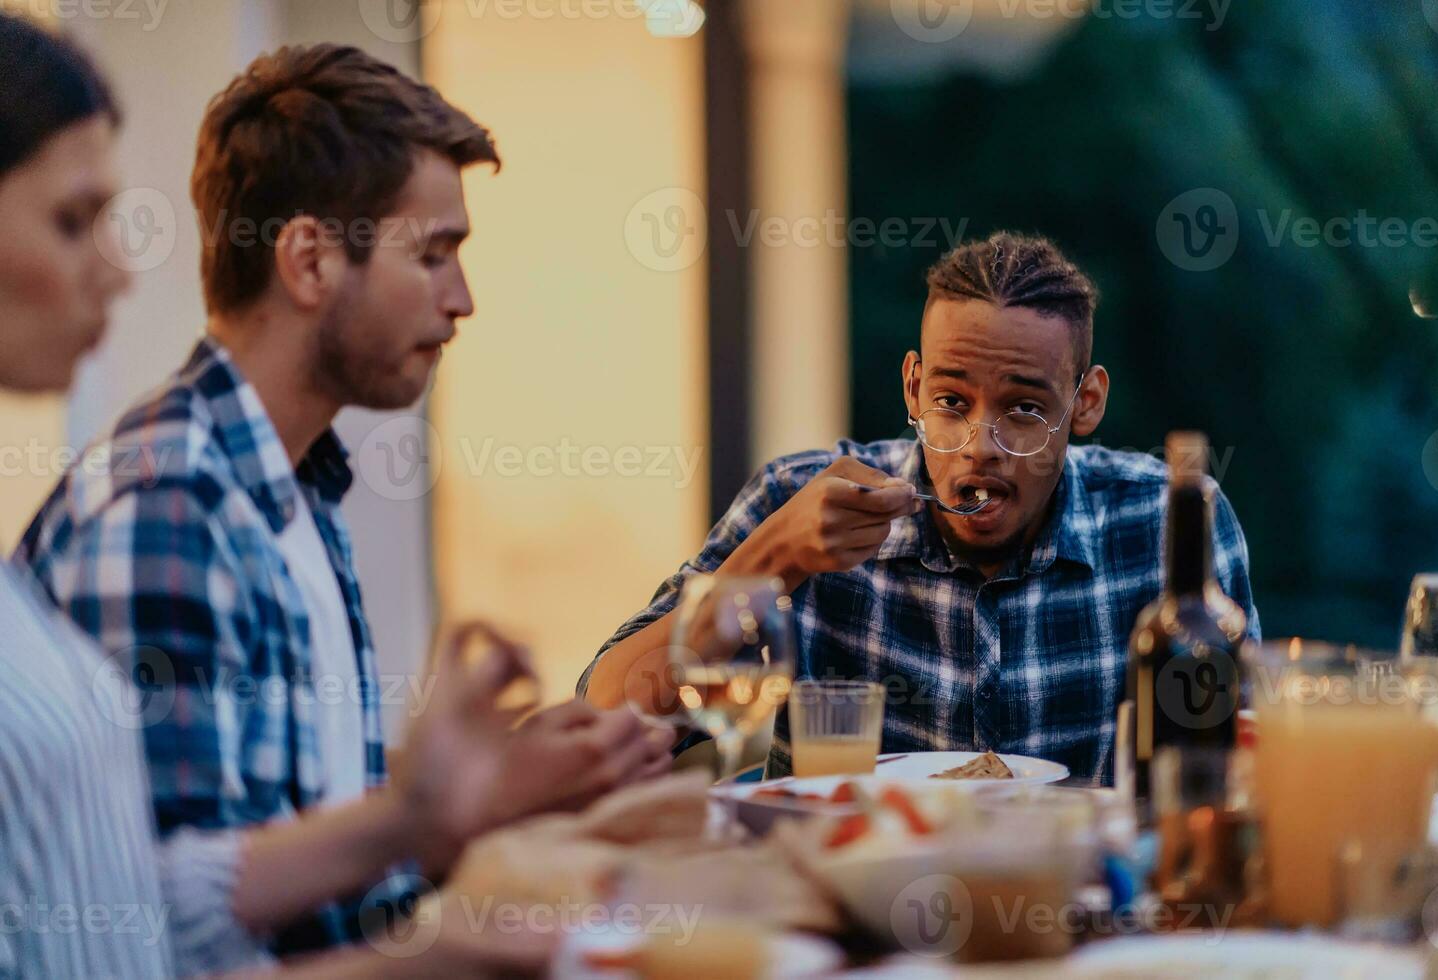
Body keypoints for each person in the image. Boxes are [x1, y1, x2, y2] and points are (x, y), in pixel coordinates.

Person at [5, 24, 672, 973]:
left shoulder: (296, 490)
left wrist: (468, 809)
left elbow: (286, 897)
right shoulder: (165, 508)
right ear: (311, 262)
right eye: (432, 254)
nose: (464, 299)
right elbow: (173, 941)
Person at [581, 231, 1260, 781]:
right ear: (913, 388)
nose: (978, 447)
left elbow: (1248, 757)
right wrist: (774, 557)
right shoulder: (800, 501)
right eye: (951, 403)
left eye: (1024, 409)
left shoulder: (1168, 523)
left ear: (1085, 402)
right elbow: (608, 718)